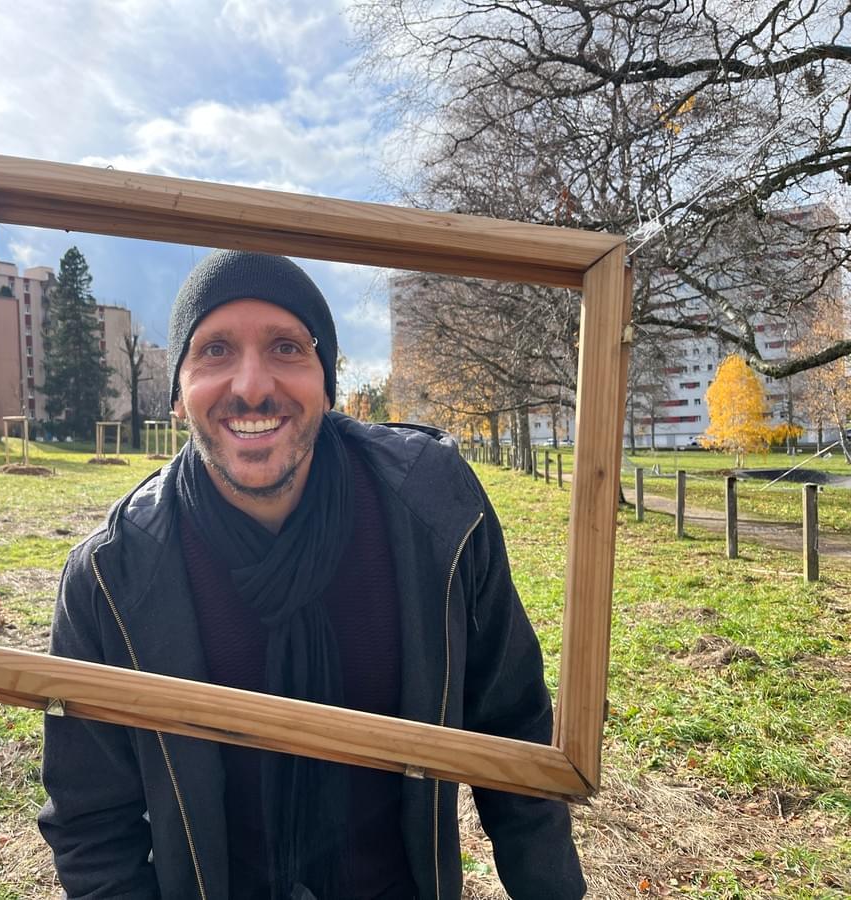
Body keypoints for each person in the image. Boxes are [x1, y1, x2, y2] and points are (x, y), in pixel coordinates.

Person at [38, 250, 585, 899]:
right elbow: (94, 825)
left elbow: (512, 727)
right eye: (214, 350)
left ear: (326, 382)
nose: (250, 385)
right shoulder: (110, 575)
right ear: (178, 397)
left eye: (286, 347)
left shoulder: (435, 508)